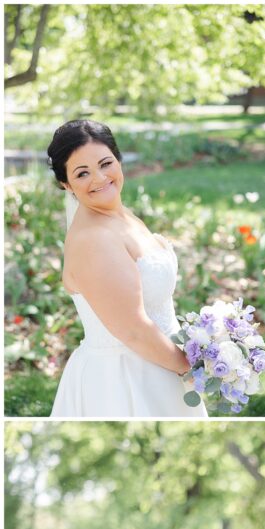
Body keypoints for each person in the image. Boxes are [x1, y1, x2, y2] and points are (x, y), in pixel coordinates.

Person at [46, 119, 204, 417]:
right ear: (66, 184)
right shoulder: (93, 240)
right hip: (128, 377)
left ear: (118, 160)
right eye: (82, 173)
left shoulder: (119, 215)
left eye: (105, 163)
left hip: (161, 359)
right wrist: (195, 367)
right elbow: (133, 331)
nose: (99, 178)